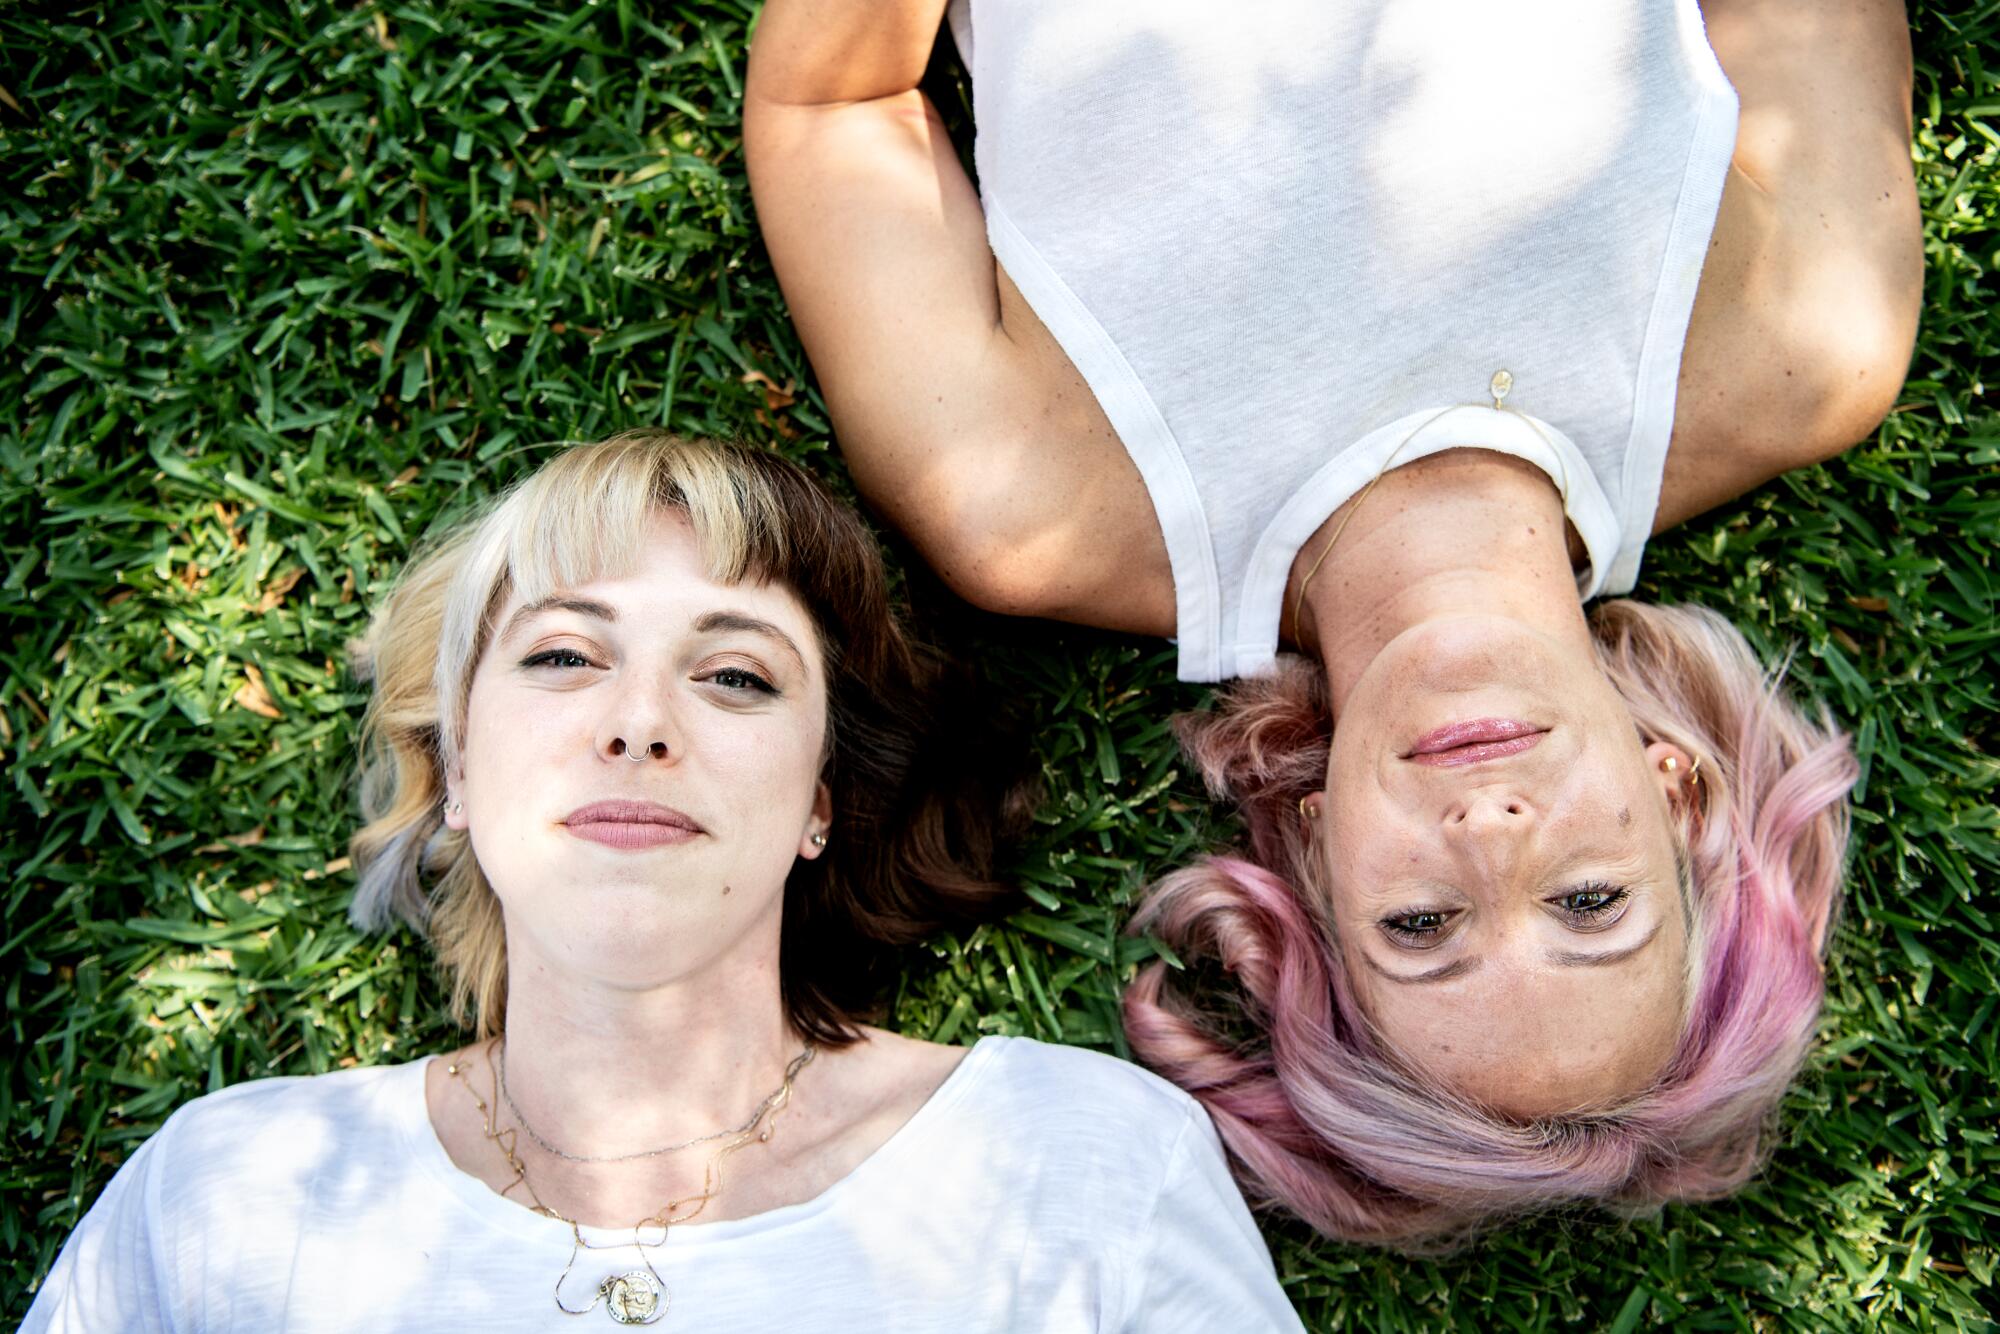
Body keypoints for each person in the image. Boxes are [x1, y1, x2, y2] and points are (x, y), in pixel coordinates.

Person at [743, 0, 1921, 1246]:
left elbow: (835, 108)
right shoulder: (1804, 339)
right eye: (1587, 898)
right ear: (1676, 792)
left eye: (1421, 926)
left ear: (1313, 856)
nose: (1487, 835)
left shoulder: (1028, 503)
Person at [22, 434, 1305, 1331]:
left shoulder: (1076, 1165)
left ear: (818, 797)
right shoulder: (237, 1190)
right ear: (458, 764)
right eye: (566, 655)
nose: (638, 722)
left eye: (734, 673)